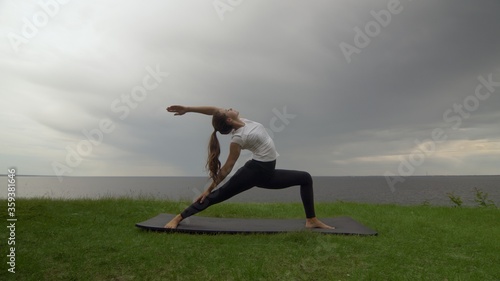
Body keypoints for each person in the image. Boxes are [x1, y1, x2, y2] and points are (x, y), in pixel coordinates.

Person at [164, 105, 333, 229]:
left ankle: (311, 220)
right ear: (229, 119)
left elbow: (213, 111)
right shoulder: (238, 138)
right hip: (254, 172)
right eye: (226, 110)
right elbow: (228, 167)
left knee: (305, 178)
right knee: (218, 195)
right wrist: (209, 189)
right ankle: (178, 218)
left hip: (268, 173)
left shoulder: (242, 121)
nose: (227, 107)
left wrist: (187, 109)